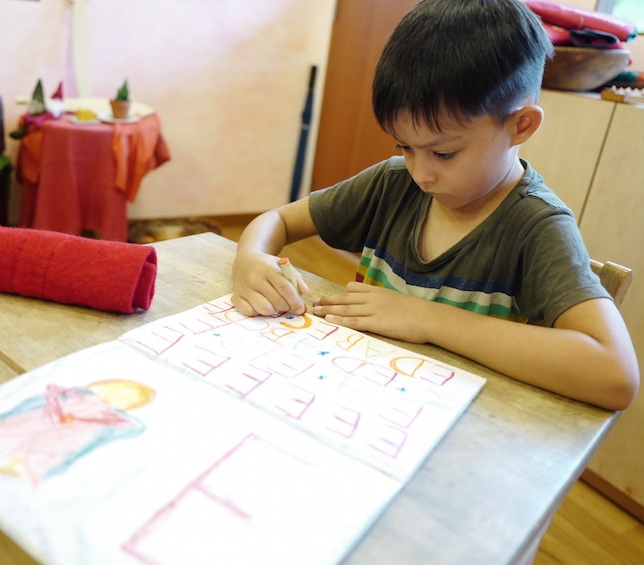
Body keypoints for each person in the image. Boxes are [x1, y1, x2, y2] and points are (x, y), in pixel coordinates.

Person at [231, 0, 639, 411]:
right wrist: (251, 257)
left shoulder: (537, 227)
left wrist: (427, 319)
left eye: (443, 154)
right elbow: (278, 220)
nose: (421, 174)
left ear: (521, 126)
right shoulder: (393, 183)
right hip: (353, 398)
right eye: (405, 147)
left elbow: (615, 375)